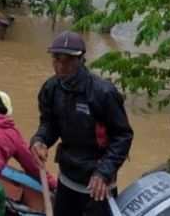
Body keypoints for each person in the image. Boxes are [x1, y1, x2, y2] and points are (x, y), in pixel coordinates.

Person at [30, 30, 133, 216]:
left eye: (68, 60)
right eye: (56, 59)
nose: (60, 66)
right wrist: (40, 139)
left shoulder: (103, 93)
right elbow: (49, 123)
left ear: (80, 60)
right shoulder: (51, 88)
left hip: (98, 182)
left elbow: (123, 135)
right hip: (68, 176)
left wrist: (104, 172)